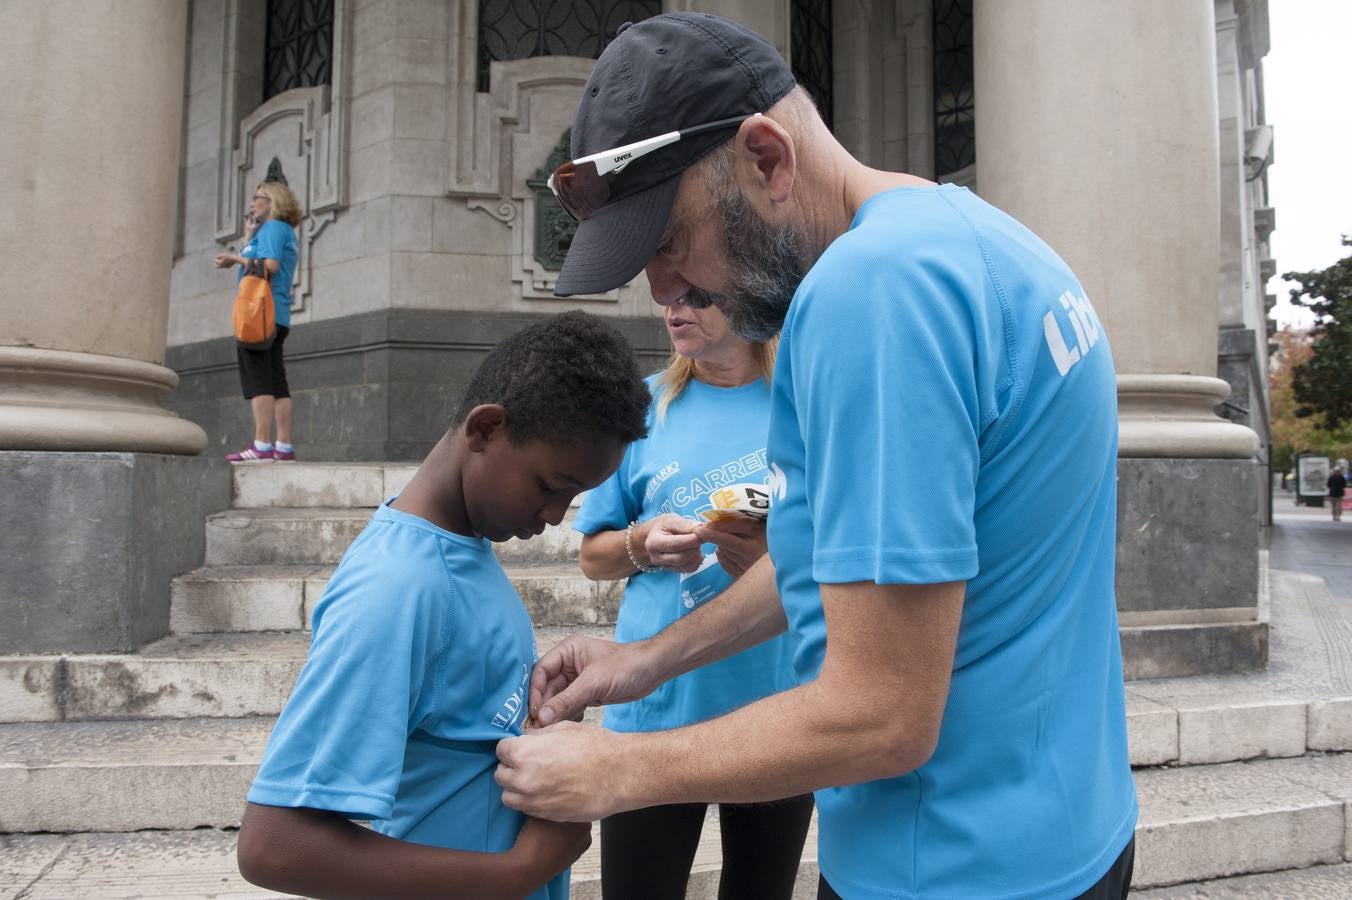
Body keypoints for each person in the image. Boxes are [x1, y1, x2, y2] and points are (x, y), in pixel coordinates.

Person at [493, 13, 1137, 900]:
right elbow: (835, 560)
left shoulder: (869, 294)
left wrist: (618, 768)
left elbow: (881, 717)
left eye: (670, 242)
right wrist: (643, 662)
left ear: (766, 157)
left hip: (943, 866)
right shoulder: (982, 240)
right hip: (1070, 832)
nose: (666, 290)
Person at [236, 311, 651, 899]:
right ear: (484, 429)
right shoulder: (398, 588)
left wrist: (534, 715)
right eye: (550, 486)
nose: (557, 516)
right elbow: (273, 846)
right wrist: (517, 873)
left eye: (576, 496)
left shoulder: (462, 547)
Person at [574, 300, 811, 899]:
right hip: (655, 708)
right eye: (667, 296)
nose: (674, 308)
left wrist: (772, 562)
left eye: (696, 294)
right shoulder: (644, 409)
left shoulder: (805, 402)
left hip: (776, 705)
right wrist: (644, 542)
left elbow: (835, 545)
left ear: (749, 301)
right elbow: (592, 554)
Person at [214, 180, 302, 463]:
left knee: (259, 380)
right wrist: (249, 237)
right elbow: (260, 257)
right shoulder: (273, 231)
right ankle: (283, 446)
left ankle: (262, 444)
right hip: (276, 313)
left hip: (261, 314)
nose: (252, 203)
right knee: (276, 381)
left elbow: (271, 265)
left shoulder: (275, 228)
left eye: (257, 197)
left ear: (273, 201)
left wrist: (234, 259)